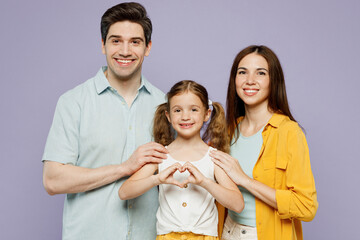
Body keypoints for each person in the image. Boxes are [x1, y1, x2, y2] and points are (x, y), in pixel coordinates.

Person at [42, 2, 168, 240]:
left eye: (135, 42)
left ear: (148, 47)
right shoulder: (73, 102)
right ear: (103, 45)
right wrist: (124, 168)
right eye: (116, 40)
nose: (125, 51)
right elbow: (52, 180)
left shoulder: (166, 106)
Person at [210, 45, 318, 240]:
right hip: (227, 231)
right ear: (234, 79)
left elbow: (306, 206)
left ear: (273, 81)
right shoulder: (227, 130)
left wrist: (244, 180)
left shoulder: (289, 132)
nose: (249, 80)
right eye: (242, 72)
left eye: (260, 73)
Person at [119, 80, 244, 240]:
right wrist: (156, 179)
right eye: (178, 110)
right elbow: (124, 192)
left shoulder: (213, 157)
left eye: (193, 109)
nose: (185, 116)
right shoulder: (161, 154)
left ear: (207, 114)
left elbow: (238, 204)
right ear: (168, 116)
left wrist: (205, 182)